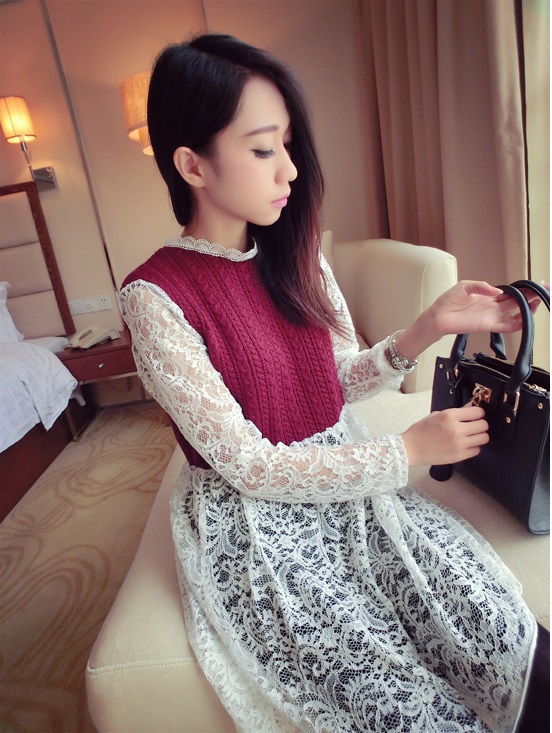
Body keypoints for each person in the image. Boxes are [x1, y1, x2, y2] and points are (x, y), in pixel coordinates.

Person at [120, 33, 548, 733]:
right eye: (264, 149)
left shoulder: (296, 254)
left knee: (491, 625)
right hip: (256, 522)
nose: (290, 169)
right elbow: (248, 465)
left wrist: (426, 327)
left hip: (347, 474)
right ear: (192, 164)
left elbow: (329, 385)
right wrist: (407, 450)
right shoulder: (154, 297)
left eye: (288, 144)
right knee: (395, 699)